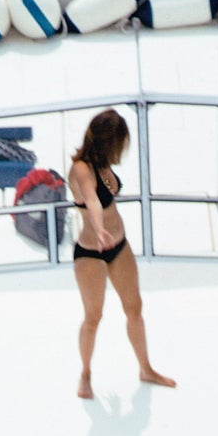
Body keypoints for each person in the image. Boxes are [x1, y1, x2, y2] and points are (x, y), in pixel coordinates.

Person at [68, 108, 175, 401]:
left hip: (119, 246)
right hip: (91, 252)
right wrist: (100, 227)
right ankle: (85, 374)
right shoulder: (80, 169)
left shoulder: (102, 165)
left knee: (134, 309)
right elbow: (90, 198)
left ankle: (146, 368)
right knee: (93, 316)